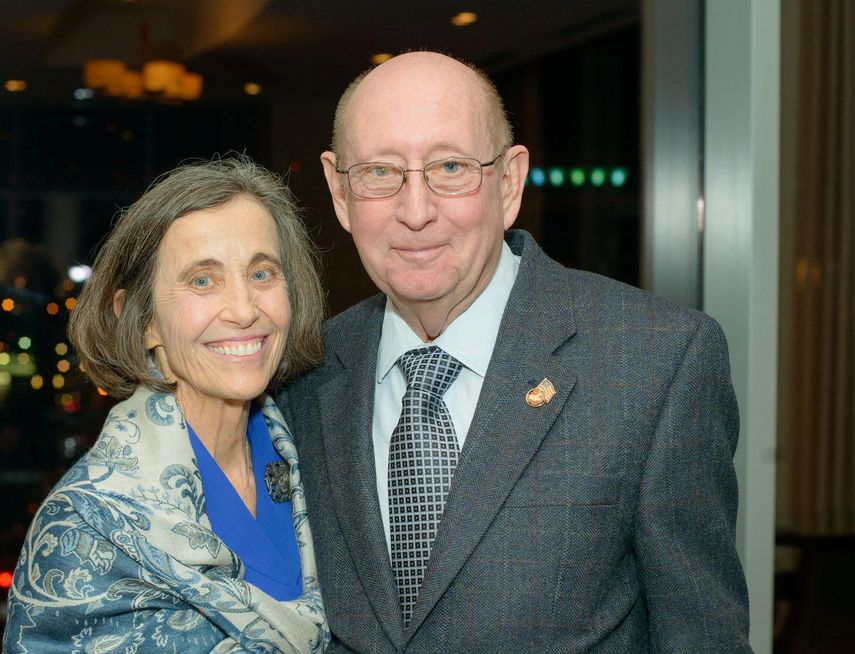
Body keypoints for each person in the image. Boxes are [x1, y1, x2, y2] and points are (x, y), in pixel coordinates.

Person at [278, 51, 751, 652]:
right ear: (340, 191)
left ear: (509, 181)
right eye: (380, 172)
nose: (415, 211)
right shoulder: (304, 374)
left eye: (450, 167)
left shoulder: (656, 363)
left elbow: (702, 638)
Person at [4, 157, 331, 653]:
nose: (244, 310)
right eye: (203, 280)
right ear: (141, 320)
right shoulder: (86, 531)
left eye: (262, 273)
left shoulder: (320, 450)